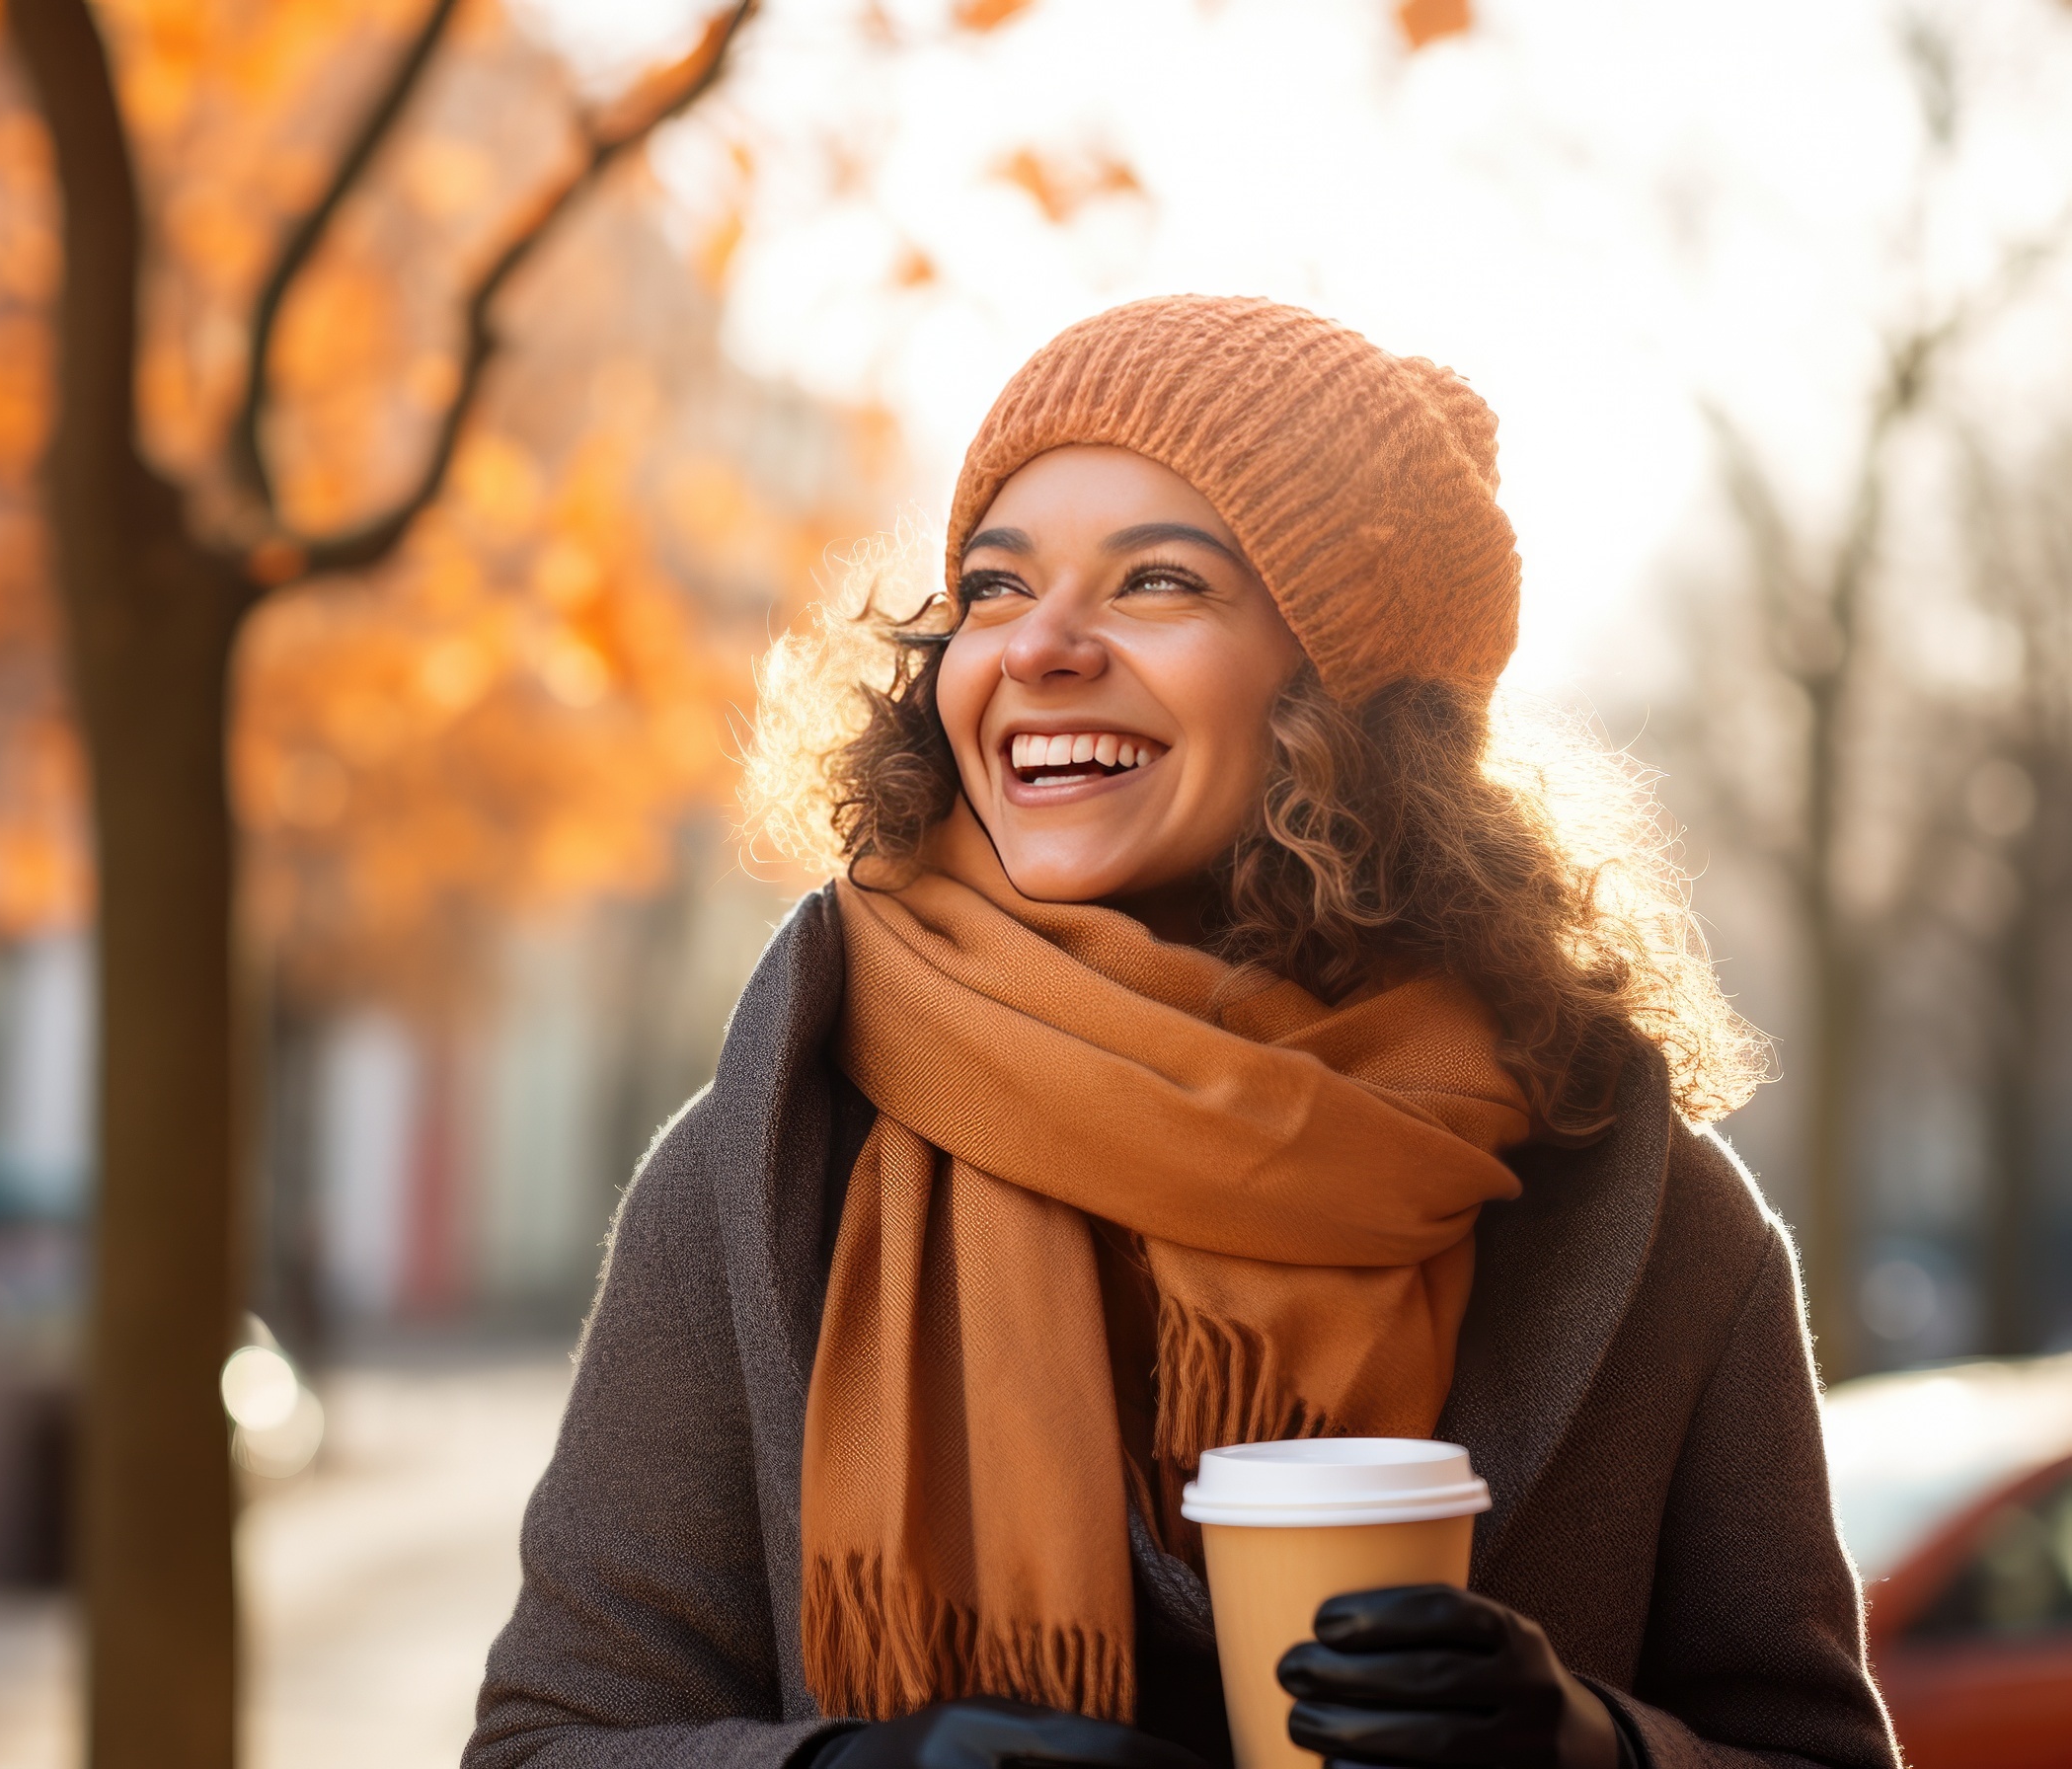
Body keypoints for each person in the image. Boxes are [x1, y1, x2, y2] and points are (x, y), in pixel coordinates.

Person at [465, 295, 1897, 1769]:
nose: (1042, 648)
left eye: (1157, 582)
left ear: (1347, 689)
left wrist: (1590, 1748)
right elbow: (547, 1745)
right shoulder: (774, 1164)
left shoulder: (1642, 1212)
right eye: (995, 587)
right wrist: (865, 1766)